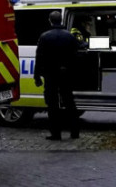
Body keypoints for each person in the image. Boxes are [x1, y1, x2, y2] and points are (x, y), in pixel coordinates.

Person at [34, 11, 80, 140]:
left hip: (50, 75)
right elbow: (76, 56)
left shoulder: (44, 37)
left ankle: (56, 133)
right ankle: (75, 132)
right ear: (61, 20)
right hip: (66, 74)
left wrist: (36, 76)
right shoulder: (70, 36)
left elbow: (39, 58)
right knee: (70, 103)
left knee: (52, 105)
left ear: (50, 21)